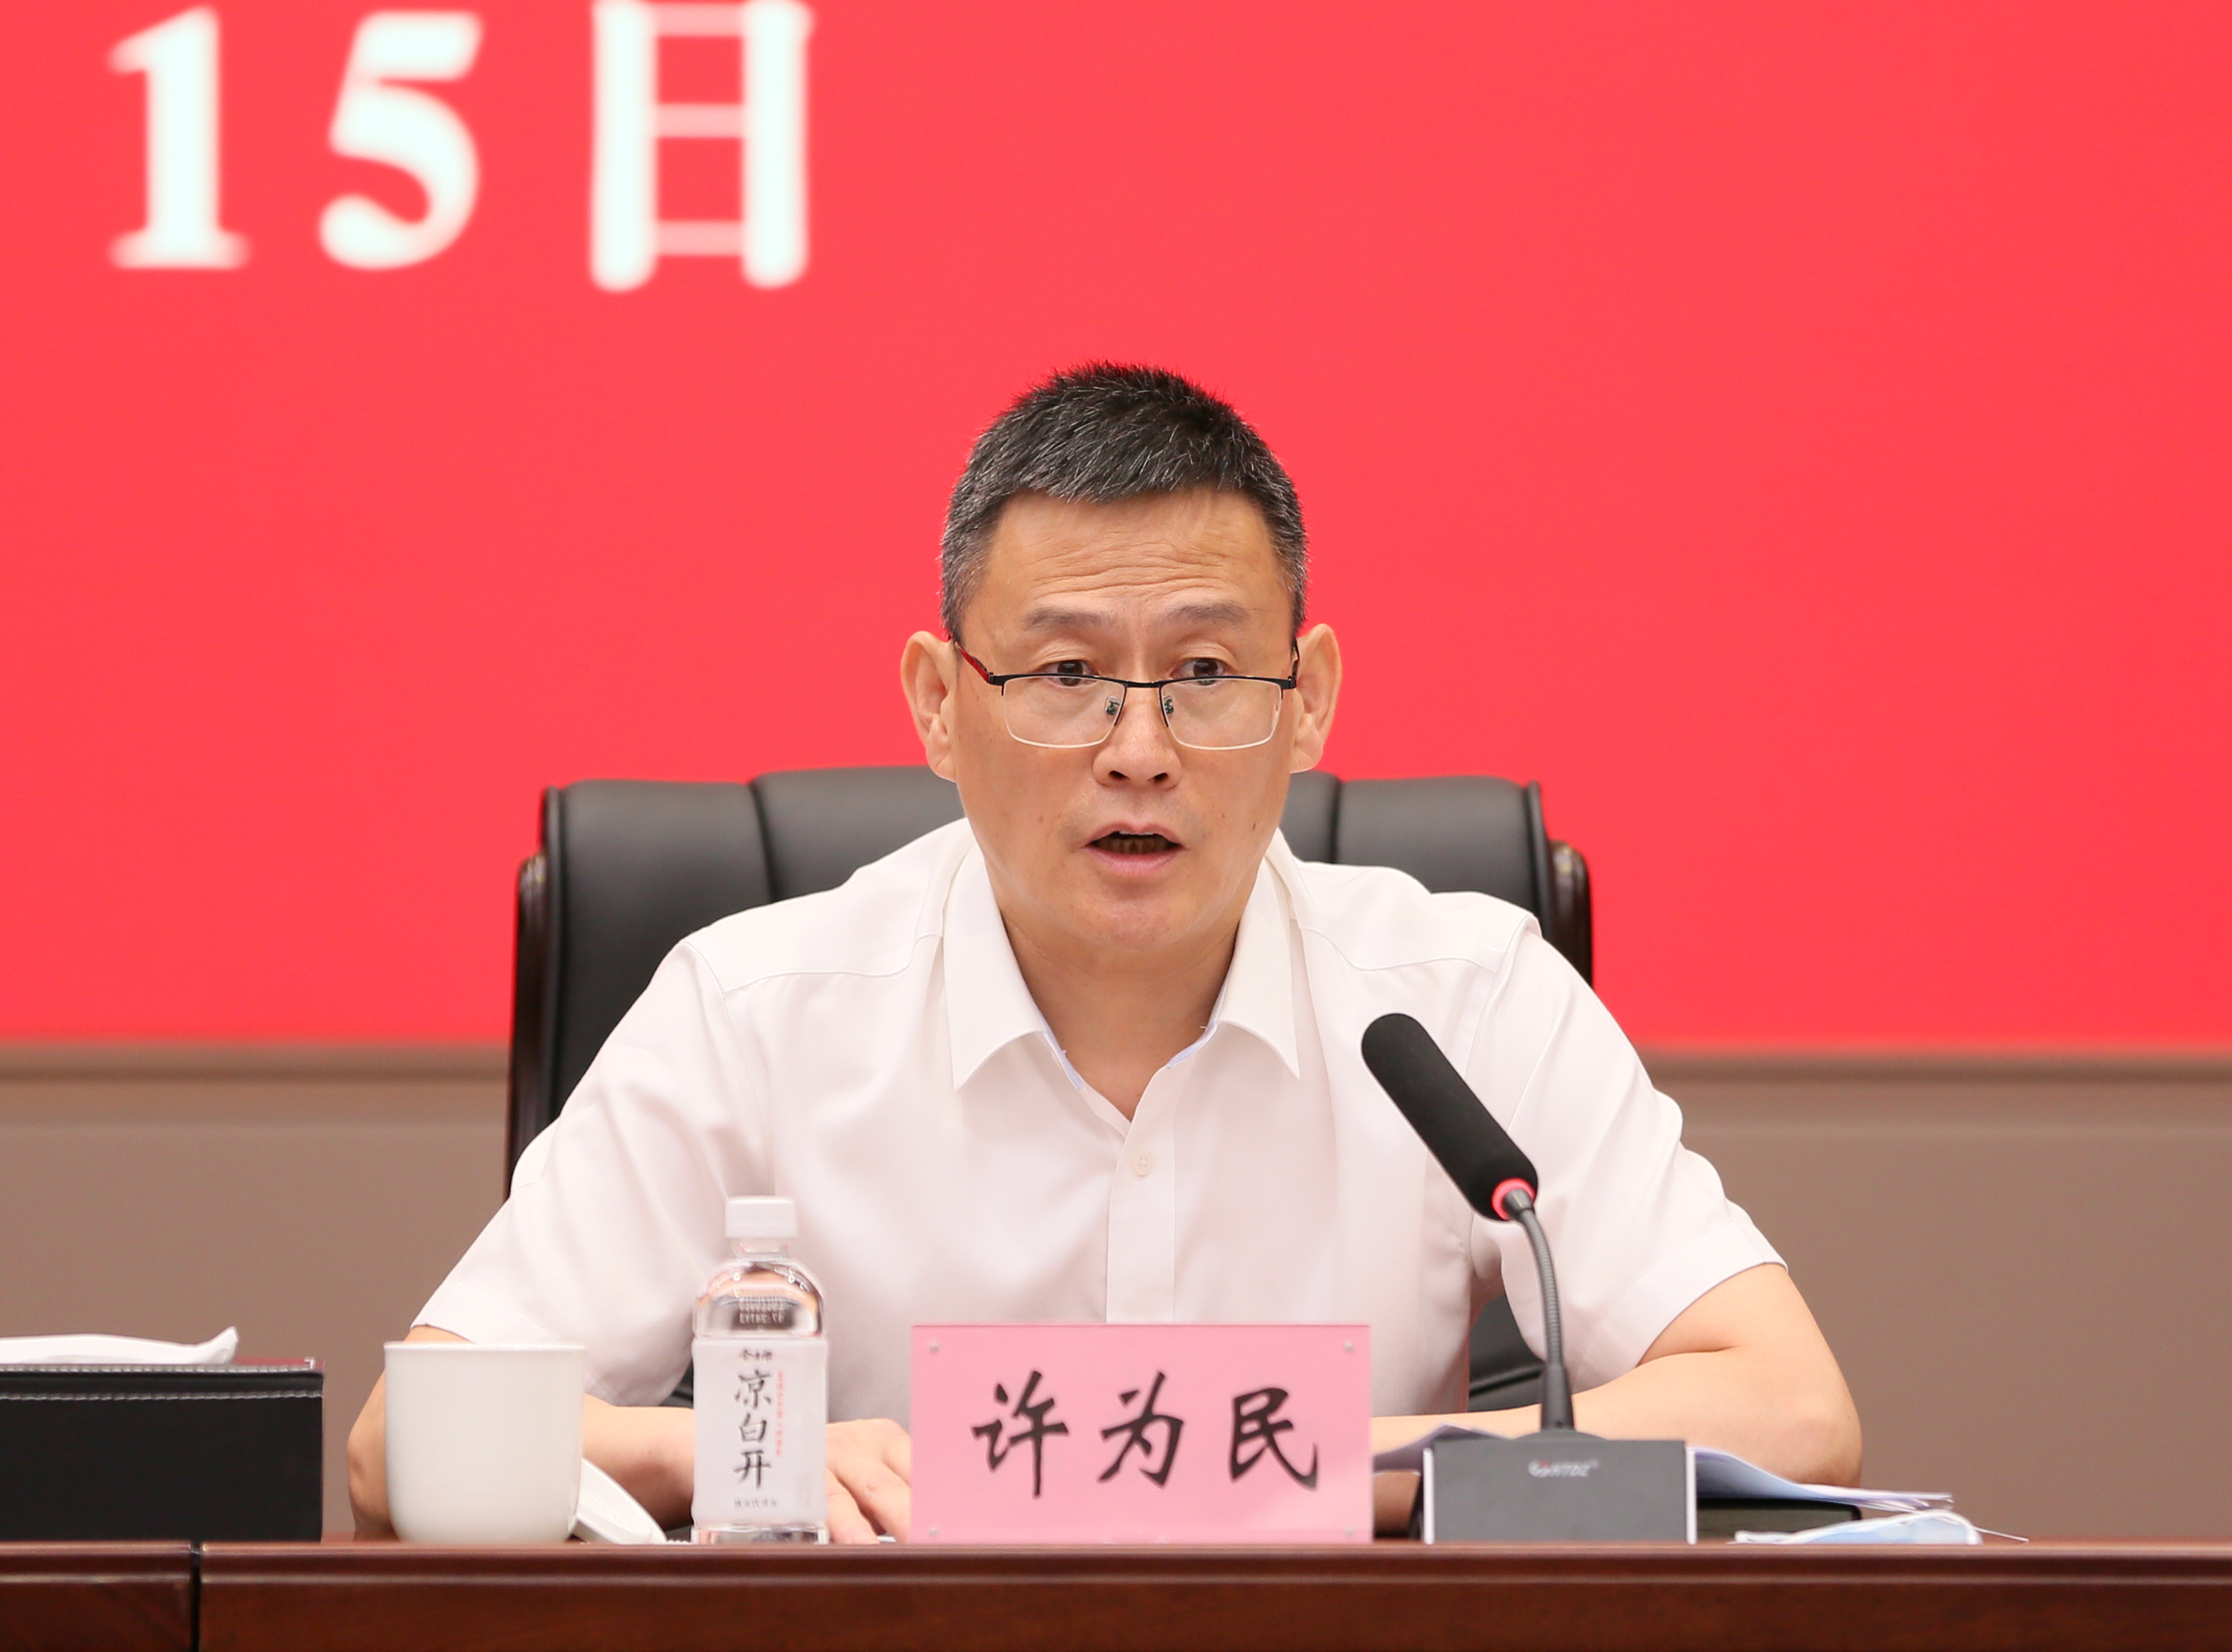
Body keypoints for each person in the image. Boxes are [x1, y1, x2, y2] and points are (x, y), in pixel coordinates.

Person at [348, 364, 1860, 1539]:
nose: (1139, 748)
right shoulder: (755, 1013)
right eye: (1067, 672)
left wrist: (1338, 1460)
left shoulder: (1463, 998)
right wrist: (750, 1448)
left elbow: (1791, 1404)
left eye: (1205, 671)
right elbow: (401, 1441)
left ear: (1310, 697)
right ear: (940, 703)